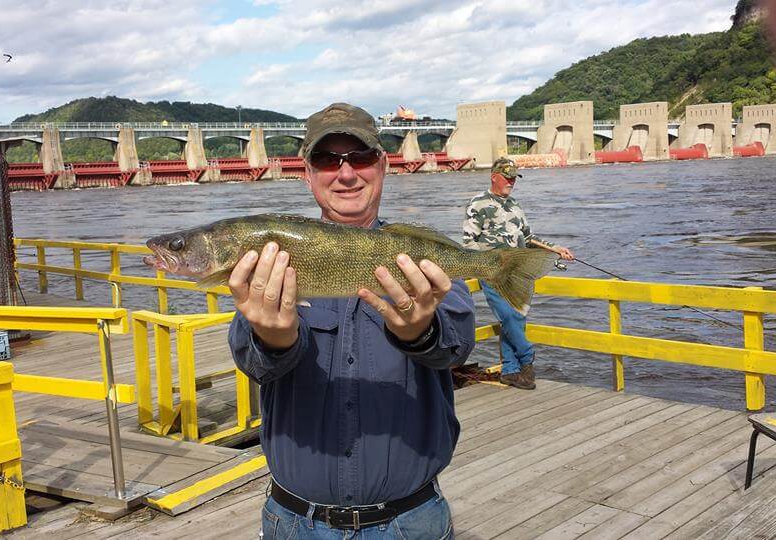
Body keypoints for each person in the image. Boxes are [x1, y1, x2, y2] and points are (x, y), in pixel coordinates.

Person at [227, 102, 476, 538]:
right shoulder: (274, 259)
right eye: (327, 160)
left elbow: (457, 341)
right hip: (295, 522)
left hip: (410, 520)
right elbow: (253, 362)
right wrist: (273, 337)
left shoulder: (417, 255)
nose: (345, 173)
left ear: (383, 166)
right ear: (307, 173)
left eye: (360, 157)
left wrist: (421, 332)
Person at [462, 157, 574, 390]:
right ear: (494, 177)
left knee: (517, 318)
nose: (511, 181)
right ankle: (528, 356)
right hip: (493, 272)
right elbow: (468, 242)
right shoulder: (478, 203)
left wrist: (555, 249)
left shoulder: (515, 205)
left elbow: (529, 238)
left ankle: (511, 371)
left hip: (518, 272)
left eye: (514, 178)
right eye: (507, 177)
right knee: (509, 317)